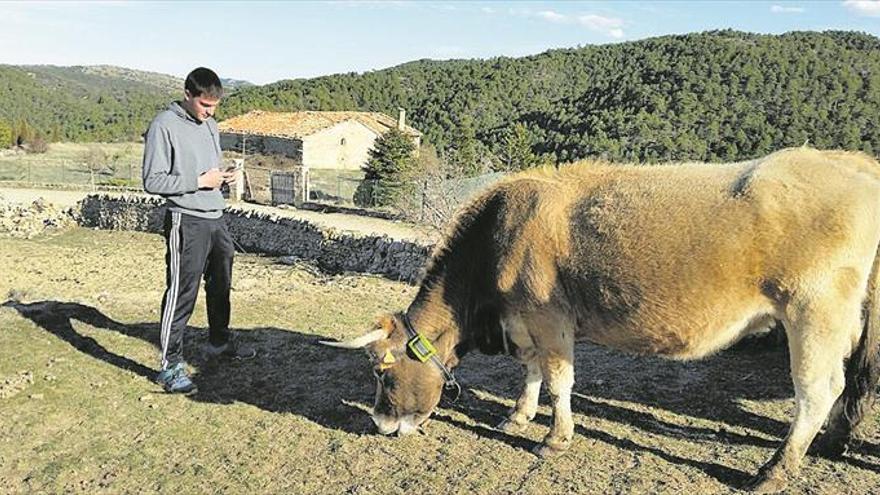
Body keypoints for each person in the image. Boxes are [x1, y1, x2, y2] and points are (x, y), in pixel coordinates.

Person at [142, 67, 256, 394]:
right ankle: (169, 365)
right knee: (182, 292)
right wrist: (198, 182)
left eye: (215, 106)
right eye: (205, 105)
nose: (210, 112)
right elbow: (153, 181)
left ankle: (219, 342)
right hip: (185, 220)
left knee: (221, 285)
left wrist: (223, 177)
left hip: (215, 217)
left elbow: (208, 171)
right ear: (188, 95)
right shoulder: (163, 125)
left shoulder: (211, 125)